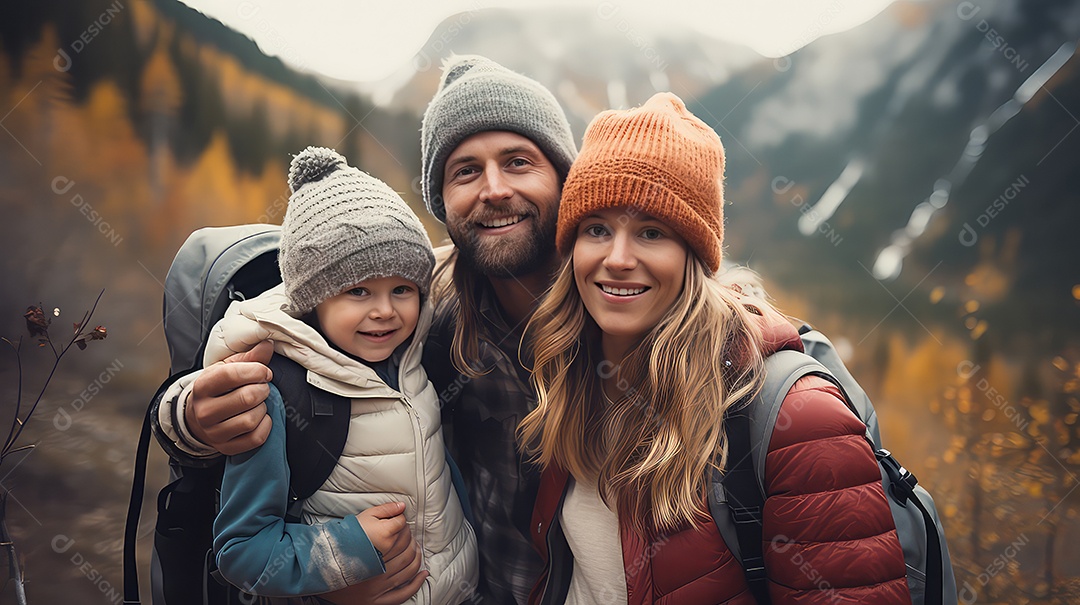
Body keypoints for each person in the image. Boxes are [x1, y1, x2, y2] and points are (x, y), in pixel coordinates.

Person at [152, 55, 578, 604]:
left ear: (566, 177)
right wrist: (184, 415)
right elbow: (286, 310)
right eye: (465, 170)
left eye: (518, 161)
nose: (493, 189)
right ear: (442, 203)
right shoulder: (426, 301)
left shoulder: (615, 295)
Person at [520, 92, 912, 603]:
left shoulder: (798, 419)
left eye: (651, 232)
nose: (617, 258)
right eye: (597, 229)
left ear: (695, 256)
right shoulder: (570, 379)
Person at [206, 146, 477, 604]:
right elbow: (242, 553)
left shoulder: (410, 361)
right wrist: (347, 558)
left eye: (402, 289)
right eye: (358, 290)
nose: (385, 311)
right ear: (314, 300)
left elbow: (437, 474)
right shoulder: (275, 393)